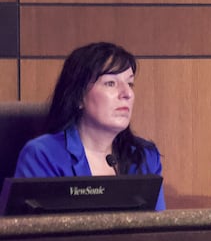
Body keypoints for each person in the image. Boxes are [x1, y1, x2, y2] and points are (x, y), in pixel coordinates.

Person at [14, 42, 166, 210]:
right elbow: (37, 232)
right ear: (78, 96)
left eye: (130, 84)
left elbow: (156, 232)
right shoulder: (44, 155)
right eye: (111, 83)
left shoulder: (144, 156)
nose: (127, 93)